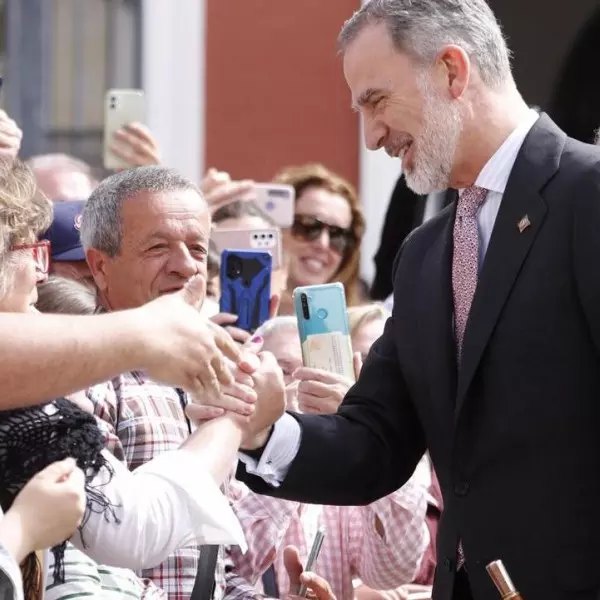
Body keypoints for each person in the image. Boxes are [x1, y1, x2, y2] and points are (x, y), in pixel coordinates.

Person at [226, 2, 600, 600]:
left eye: (376, 101)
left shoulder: (589, 194)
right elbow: (377, 440)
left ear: (453, 71)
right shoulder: (425, 254)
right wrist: (262, 432)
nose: (371, 137)